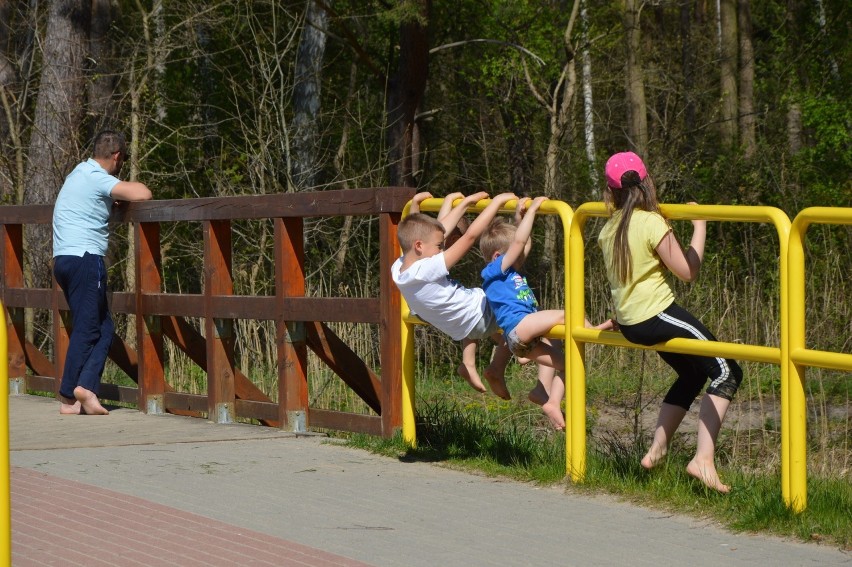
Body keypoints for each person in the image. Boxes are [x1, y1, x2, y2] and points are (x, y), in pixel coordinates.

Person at [596, 151, 742, 493]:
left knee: (692, 373)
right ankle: (702, 460)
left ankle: (658, 450)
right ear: (647, 183)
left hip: (631, 323)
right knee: (728, 371)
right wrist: (699, 225)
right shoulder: (651, 222)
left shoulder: (608, 229)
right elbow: (688, 272)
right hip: (655, 313)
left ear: (610, 191)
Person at [480, 197, 614, 430]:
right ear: (497, 256)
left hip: (521, 337)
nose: (520, 256)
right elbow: (520, 241)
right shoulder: (494, 270)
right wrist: (532, 211)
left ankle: (550, 399)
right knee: (568, 313)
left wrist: (519, 219)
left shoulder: (506, 271)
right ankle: (593, 331)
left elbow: (524, 244)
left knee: (570, 365)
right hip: (520, 326)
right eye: (513, 252)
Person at [53, 130, 153, 415]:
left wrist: (112, 202)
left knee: (103, 326)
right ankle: (71, 394)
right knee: (89, 328)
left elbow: (94, 202)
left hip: (63, 258)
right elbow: (143, 193)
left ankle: (81, 393)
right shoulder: (98, 177)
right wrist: (121, 195)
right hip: (85, 258)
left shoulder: (78, 173)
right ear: (117, 156)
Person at [393, 191, 518, 400]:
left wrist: (462, 203)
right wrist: (495, 204)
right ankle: (500, 367)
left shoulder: (398, 268)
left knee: (480, 310)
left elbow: (430, 231)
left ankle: (473, 363)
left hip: (459, 327)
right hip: (478, 316)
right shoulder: (428, 268)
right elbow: (469, 237)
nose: (442, 249)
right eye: (439, 247)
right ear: (419, 246)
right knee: (519, 310)